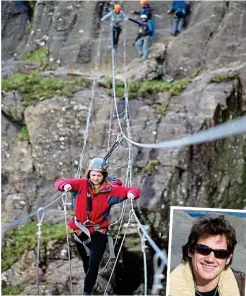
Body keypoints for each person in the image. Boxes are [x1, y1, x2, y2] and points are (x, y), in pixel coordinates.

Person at [55, 158, 140, 295]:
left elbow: (132, 190)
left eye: (99, 175)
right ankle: (90, 281)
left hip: (98, 231)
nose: (95, 178)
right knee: (86, 262)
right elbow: (60, 181)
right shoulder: (81, 184)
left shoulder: (111, 190)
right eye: (93, 175)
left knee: (94, 264)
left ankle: (86, 292)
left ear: (104, 176)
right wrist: (65, 186)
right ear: (89, 174)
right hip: (80, 230)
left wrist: (131, 194)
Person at [169, 215, 245, 296]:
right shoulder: (166, 282)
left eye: (220, 253)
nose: (210, 259)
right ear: (190, 251)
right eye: (203, 250)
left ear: (228, 259)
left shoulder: (242, 286)